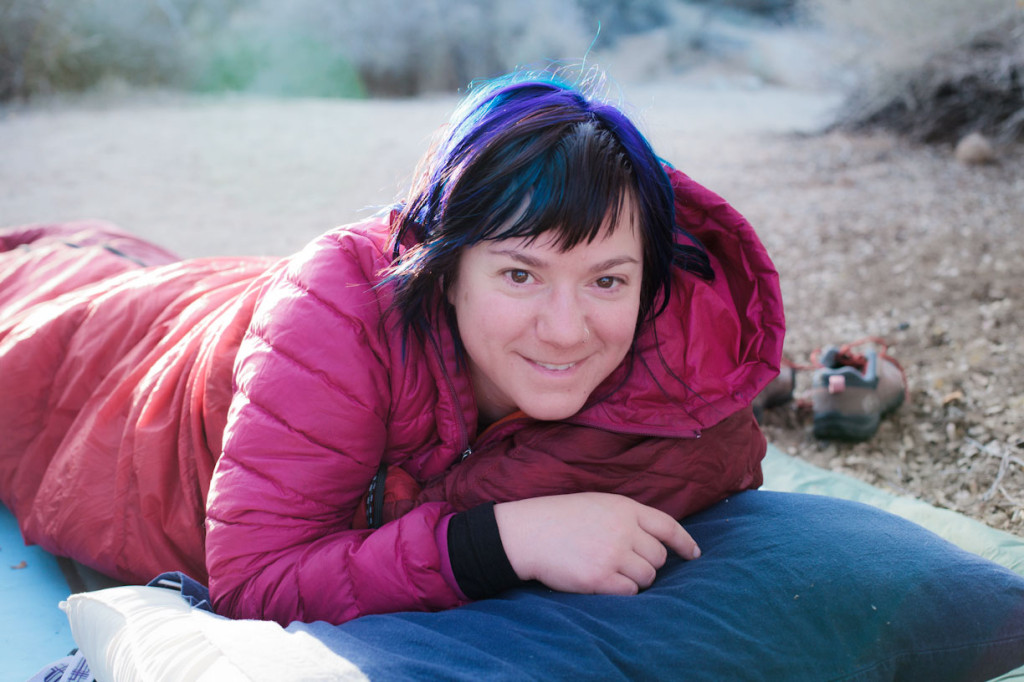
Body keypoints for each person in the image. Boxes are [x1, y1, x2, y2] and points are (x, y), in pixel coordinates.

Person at [0, 70, 783, 626]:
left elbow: (728, 459)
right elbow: (255, 580)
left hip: (215, 306)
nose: (565, 327)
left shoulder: (682, 411)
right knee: (40, 292)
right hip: (107, 372)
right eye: (520, 273)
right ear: (444, 268)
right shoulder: (337, 312)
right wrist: (503, 540)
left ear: (649, 284)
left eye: (607, 282)